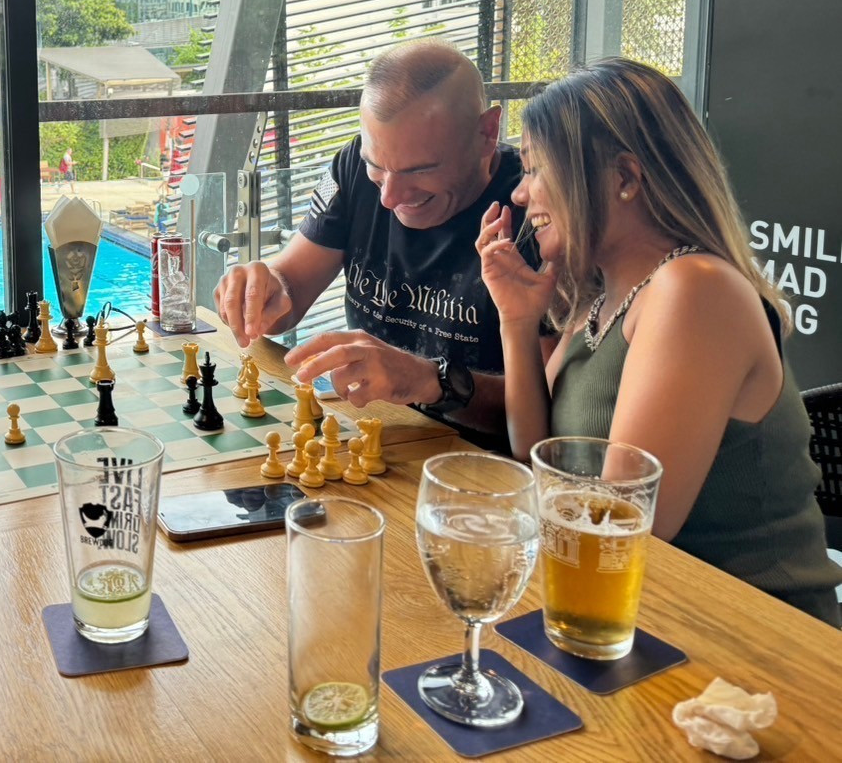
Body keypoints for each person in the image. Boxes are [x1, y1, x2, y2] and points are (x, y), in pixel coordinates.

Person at [478, 57, 841, 624]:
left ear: (624, 178)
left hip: (754, 636)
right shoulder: (600, 297)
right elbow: (535, 457)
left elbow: (625, 524)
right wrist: (517, 322)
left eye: (537, 169)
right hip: (637, 612)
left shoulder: (694, 289)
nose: (521, 194)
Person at [214, 40, 537, 445]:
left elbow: (546, 413)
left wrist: (430, 381)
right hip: (376, 436)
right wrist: (262, 291)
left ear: (487, 133)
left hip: (481, 464)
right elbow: (289, 289)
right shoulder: (354, 165)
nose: (389, 198)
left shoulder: (537, 204)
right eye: (376, 167)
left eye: (419, 170)